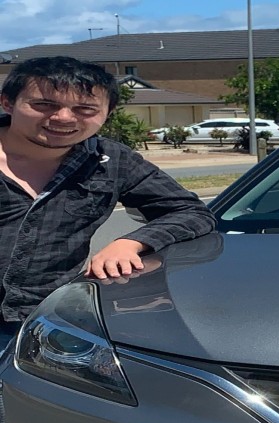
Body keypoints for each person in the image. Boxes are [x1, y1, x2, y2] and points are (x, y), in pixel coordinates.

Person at [0, 56, 215, 352]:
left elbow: (191, 212)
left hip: (47, 322)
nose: (64, 117)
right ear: (8, 103)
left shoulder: (111, 162)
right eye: (44, 105)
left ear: (107, 113)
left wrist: (130, 243)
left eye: (84, 109)